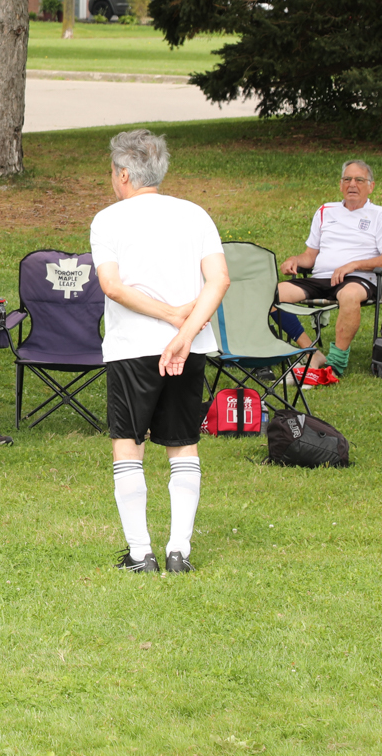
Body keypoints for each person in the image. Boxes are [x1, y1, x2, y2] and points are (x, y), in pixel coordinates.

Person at [90, 130, 229, 574]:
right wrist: (186, 331)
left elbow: (112, 286)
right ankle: (178, 552)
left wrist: (171, 318)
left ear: (123, 174)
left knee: (128, 446)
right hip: (190, 347)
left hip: (132, 346)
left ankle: (139, 553)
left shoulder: (107, 220)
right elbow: (219, 280)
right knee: (183, 446)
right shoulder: (195, 214)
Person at [274, 159, 382, 386]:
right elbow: (310, 256)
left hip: (359, 279)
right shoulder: (325, 211)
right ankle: (311, 352)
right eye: (347, 179)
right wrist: (295, 260)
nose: (352, 184)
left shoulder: (381, 215)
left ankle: (335, 365)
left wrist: (354, 265)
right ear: (341, 185)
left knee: (349, 295)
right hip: (321, 278)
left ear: (371, 186)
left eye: (359, 180)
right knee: (269, 295)